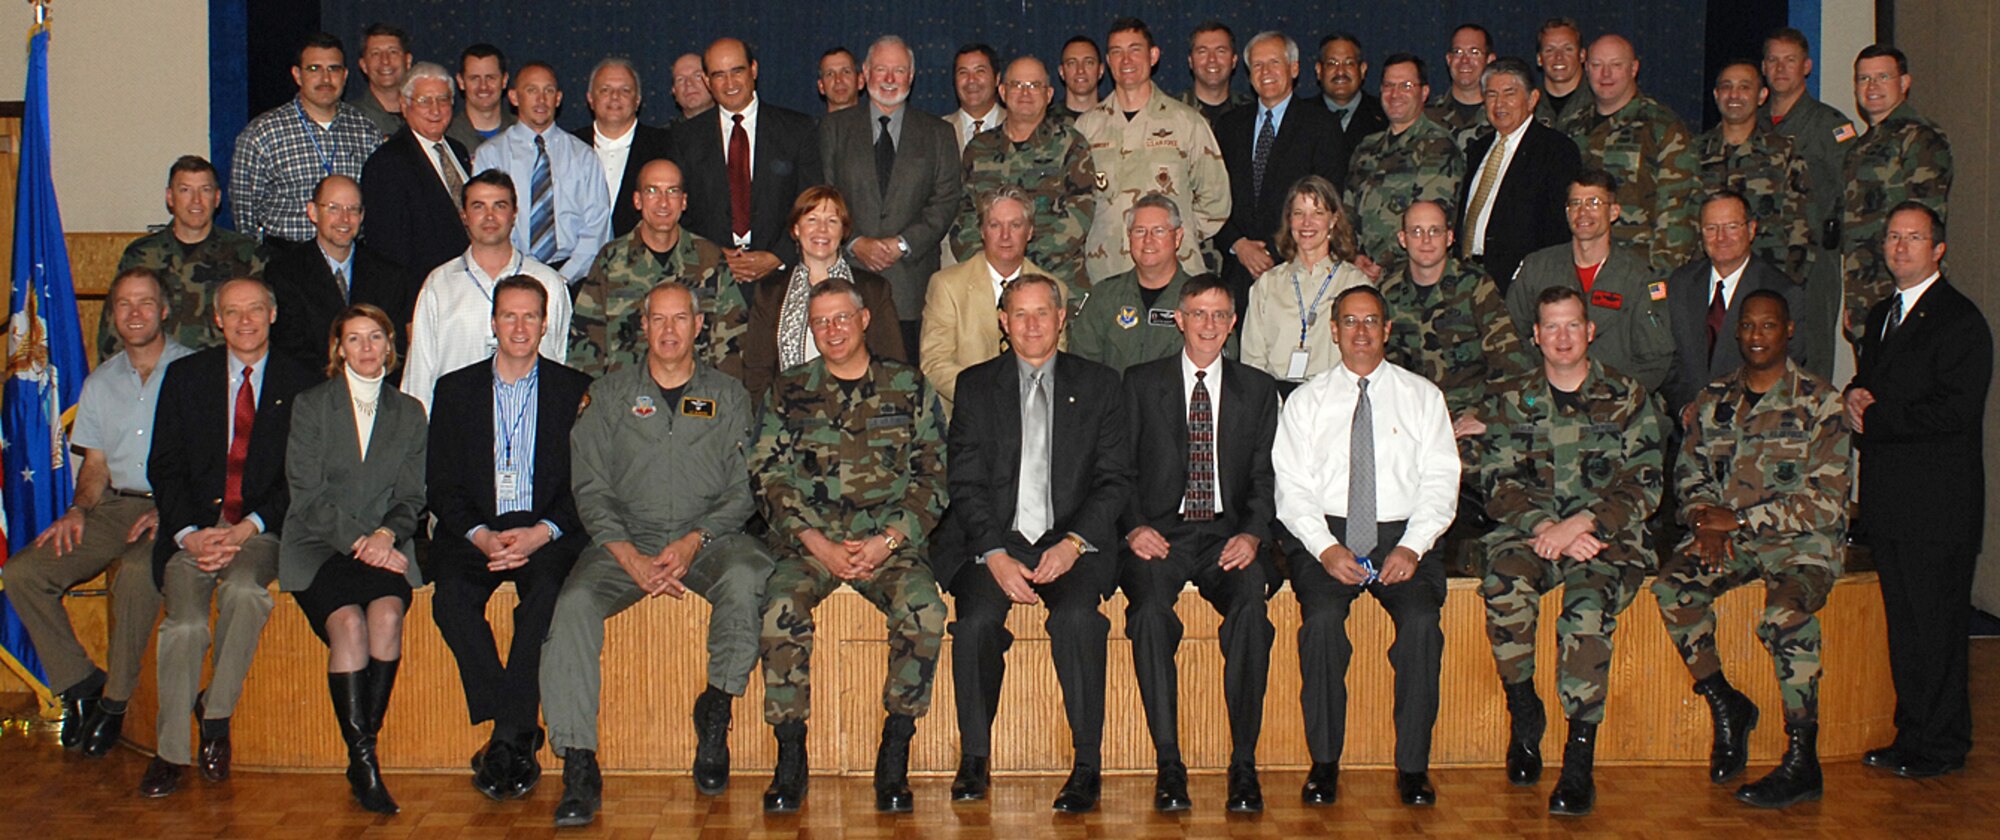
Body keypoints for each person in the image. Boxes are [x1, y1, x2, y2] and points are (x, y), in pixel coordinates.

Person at [544, 281, 773, 826]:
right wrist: (626, 554)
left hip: (709, 541)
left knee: (749, 578)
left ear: (700, 326)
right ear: (642, 326)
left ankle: (716, 710)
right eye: (658, 320)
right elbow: (590, 486)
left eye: (680, 320)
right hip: (625, 541)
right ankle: (577, 759)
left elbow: (746, 486)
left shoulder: (730, 395)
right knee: (572, 607)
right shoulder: (609, 396)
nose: (669, 331)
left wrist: (697, 539)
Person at [752, 279, 948, 814]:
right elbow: (769, 476)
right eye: (820, 322)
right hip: (809, 546)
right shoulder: (788, 389)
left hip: (888, 544)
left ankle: (895, 748)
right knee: (780, 609)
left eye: (841, 318)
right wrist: (814, 540)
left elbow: (933, 477)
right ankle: (790, 753)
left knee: (925, 610)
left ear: (864, 320)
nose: (832, 330)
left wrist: (887, 542)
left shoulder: (908, 387)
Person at [1652, 290, 1849, 808]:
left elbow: (1825, 503)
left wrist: (1738, 518)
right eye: (1748, 326)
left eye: (1769, 326)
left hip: (1799, 545)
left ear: (1788, 332)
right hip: (1729, 541)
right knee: (1674, 586)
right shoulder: (1715, 397)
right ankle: (1726, 703)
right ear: (1736, 333)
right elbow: (1689, 473)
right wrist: (1703, 519)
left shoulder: (1820, 402)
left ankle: (1803, 758)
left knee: (1783, 616)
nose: (1757, 335)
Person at [942, 274, 1132, 812]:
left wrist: (1073, 542)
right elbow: (966, 481)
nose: (1030, 325)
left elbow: (1115, 478)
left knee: (1077, 620)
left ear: (1061, 317)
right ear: (1002, 321)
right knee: (975, 622)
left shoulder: (1100, 384)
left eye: (1041, 313)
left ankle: (1086, 764)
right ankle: (975, 758)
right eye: (1018, 314)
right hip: (995, 540)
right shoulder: (976, 385)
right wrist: (995, 553)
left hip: (1073, 540)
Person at [1478, 285, 1665, 816]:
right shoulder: (1513, 399)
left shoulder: (1626, 397)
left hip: (1607, 539)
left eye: (1571, 326)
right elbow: (1496, 482)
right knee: (1503, 585)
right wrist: (1545, 525)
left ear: (1590, 331)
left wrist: (1581, 524)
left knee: (1585, 611)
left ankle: (1578, 759)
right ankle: (1524, 713)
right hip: (1532, 535)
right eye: (1550, 327)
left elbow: (1645, 483)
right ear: (1535, 336)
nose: (1562, 338)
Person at [1276, 285, 1459, 808]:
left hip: (1404, 534)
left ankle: (1413, 768)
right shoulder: (1306, 401)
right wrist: (1326, 549)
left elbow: (1442, 482)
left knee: (1423, 625)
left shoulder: (1423, 397)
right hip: (1326, 536)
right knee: (1322, 627)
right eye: (1350, 322)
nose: (1360, 332)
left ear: (1387, 330)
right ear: (1334, 331)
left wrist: (1413, 547)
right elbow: (1292, 489)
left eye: (1371, 322)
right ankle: (1325, 763)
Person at [139, 277, 317, 797]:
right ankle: (170, 752)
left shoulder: (302, 381)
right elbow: (164, 467)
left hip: (259, 530)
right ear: (217, 319)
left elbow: (300, 478)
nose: (245, 321)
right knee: (186, 626)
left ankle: (215, 718)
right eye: (233, 312)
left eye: (255, 310)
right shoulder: (185, 377)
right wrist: (191, 535)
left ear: (273, 313)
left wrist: (245, 528)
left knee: (244, 592)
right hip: (193, 534)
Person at [10, 269, 191, 758]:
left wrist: (173, 513)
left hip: (175, 508)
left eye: (145, 303)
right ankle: (82, 681)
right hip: (114, 504)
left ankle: (115, 704)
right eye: (125, 305)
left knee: (135, 571)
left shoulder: (196, 371)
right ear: (113, 315)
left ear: (165, 310)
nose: (135, 314)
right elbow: (93, 465)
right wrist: (77, 510)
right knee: (22, 572)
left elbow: (210, 464)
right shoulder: (100, 381)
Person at [1119, 273, 1280, 813]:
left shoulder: (1257, 389)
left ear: (1233, 323)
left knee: (1252, 611)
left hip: (1226, 536)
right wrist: (1135, 526)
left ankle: (1243, 764)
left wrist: (1253, 534)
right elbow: (1118, 471)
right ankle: (1169, 764)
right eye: (1198, 314)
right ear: (1179, 320)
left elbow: (1264, 477)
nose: (1208, 325)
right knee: (1147, 615)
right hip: (1160, 535)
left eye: (1219, 315)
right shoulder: (1140, 383)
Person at [428, 277, 592, 802]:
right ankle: (516, 725)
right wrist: (479, 536)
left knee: (544, 598)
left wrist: (542, 533)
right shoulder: (454, 390)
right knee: (449, 600)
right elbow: (441, 484)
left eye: (530, 317)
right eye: (509, 316)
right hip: (477, 528)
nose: (519, 327)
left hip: (546, 529)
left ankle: (505, 739)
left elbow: (587, 485)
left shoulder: (575, 390)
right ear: (492, 323)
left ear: (546, 325)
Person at [1847, 203, 1991, 781]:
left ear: (1939, 250)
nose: (1900, 247)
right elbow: (1873, 383)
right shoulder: (1883, 313)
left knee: (1938, 631)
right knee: (1905, 630)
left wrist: (1875, 416)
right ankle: (1911, 734)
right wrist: (1855, 393)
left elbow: (1954, 411)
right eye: (1893, 237)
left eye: (1914, 238)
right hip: (1890, 503)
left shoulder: (1960, 320)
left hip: (1939, 507)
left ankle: (1944, 744)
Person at [279, 304, 427, 815]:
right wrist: (363, 541)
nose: (367, 349)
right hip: (321, 543)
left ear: (391, 346)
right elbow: (306, 494)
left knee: (386, 615)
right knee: (348, 626)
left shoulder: (410, 412)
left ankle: (362, 754)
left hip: (387, 544)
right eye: (355, 339)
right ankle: (364, 760)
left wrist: (386, 534)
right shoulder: (312, 405)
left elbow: (412, 495)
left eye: (376, 338)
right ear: (338, 348)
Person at [819, 35, 962, 357]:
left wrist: (901, 244)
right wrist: (854, 241)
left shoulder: (938, 133)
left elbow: (946, 198)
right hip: (847, 277)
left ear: (911, 76)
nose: (888, 79)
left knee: (904, 384)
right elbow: (823, 196)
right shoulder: (834, 129)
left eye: (898, 71)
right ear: (865, 73)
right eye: (881, 70)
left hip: (910, 287)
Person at [401, 170, 572, 413]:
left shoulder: (548, 282)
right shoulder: (439, 284)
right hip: (457, 424)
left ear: (514, 214)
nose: (489, 216)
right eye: (479, 206)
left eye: (499, 206)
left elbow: (561, 363)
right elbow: (419, 371)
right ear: (464, 216)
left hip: (530, 421)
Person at [1076, 18, 1230, 285]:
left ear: (1154, 55)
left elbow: (1216, 200)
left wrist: (1176, 235)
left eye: (1135, 49)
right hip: (1107, 272)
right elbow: (1076, 203)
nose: (1126, 60)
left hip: (1175, 273)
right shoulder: (1087, 127)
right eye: (1116, 52)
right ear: (1108, 62)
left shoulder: (1186, 122)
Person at [568, 159, 745, 382]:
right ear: (637, 200)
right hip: (623, 400)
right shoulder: (611, 260)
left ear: (684, 202)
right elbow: (585, 344)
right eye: (652, 191)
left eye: (672, 192)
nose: (663, 203)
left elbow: (733, 341)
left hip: (695, 400)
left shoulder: (708, 258)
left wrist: (725, 403)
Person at [669, 37, 824, 284]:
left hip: (782, 276)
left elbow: (812, 201)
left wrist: (778, 255)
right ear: (707, 82)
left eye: (737, 71)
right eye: (719, 75)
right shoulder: (685, 138)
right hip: (710, 278)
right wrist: (713, 255)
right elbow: (678, 210)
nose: (729, 83)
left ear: (754, 70)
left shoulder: (797, 129)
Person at [1505, 171, 1674, 393]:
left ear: (1614, 212)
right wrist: (1534, 387)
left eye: (1594, 203)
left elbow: (1655, 360)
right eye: (1575, 203)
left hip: (1616, 401)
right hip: (1544, 398)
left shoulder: (1639, 277)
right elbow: (1507, 337)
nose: (1582, 212)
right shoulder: (1537, 268)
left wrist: (1616, 397)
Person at [1215, 31, 1349, 307]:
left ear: (1294, 68)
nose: (1266, 72)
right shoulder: (1229, 126)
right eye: (1258, 65)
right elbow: (1211, 196)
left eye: (1274, 63)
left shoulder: (1321, 125)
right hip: (1237, 269)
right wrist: (1239, 245)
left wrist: (1274, 250)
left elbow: (1328, 198)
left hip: (1297, 264)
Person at [1553, 34, 1700, 275]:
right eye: (1598, 65)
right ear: (1587, 68)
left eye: (1616, 65)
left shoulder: (1662, 126)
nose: (1606, 74)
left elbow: (1679, 210)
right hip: (1577, 266)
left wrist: (1661, 274)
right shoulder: (1571, 127)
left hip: (1638, 269)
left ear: (1633, 68)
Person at [949, 54, 1096, 293]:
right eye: (1017, 85)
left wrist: (1022, 266)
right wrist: (994, 268)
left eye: (1034, 86)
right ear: (1003, 92)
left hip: (1056, 282)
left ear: (1048, 95)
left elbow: (1079, 217)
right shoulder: (978, 149)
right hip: (989, 285)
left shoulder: (1071, 144)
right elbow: (963, 218)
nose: (1025, 93)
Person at [744, 186, 906, 400]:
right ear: (796, 229)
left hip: (862, 415)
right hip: (790, 417)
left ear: (843, 231)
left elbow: (893, 365)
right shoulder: (770, 293)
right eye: (812, 220)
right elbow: (756, 373)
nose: (822, 230)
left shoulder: (873, 290)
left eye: (832, 221)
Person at [100, 155, 269, 358]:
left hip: (221, 374)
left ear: (217, 198)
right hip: (157, 374)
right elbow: (116, 325)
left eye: (205, 190)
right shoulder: (142, 255)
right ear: (170, 197)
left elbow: (263, 322)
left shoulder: (246, 253)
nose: (196, 200)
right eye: (185, 190)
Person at [1838, 45, 1953, 342]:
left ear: (1904, 83)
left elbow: (1923, 227)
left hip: (1904, 291)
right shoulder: (1861, 146)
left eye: (1882, 77)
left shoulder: (1919, 138)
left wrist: (1909, 296)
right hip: (1866, 294)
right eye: (1864, 79)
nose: (1872, 87)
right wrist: (1856, 300)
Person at [1760, 28, 1856, 377]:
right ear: (1764, 67)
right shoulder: (1750, 125)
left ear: (1807, 66)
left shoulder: (1830, 127)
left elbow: (1854, 196)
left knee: (1812, 361)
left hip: (1813, 263)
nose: (1781, 68)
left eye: (1790, 60)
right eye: (1773, 60)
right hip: (1759, 260)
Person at [1379, 201, 1526, 427]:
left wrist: (1485, 416)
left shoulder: (1476, 286)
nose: (1426, 240)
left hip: (1467, 412)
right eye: (1416, 231)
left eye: (1434, 231)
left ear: (1449, 238)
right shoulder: (1387, 291)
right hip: (1409, 415)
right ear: (1402, 239)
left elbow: (1509, 360)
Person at [1660, 192, 1807, 416]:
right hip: (1687, 427)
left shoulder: (1782, 293)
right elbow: (1666, 356)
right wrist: (1684, 407)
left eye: (1731, 227)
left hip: (1751, 426)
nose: (1721, 237)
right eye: (1711, 228)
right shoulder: (1681, 283)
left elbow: (1787, 368)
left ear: (1751, 230)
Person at [232, 32, 383, 244]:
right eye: (314, 69)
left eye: (334, 69)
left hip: (352, 258)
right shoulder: (262, 133)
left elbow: (377, 203)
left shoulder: (365, 130)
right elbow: (245, 215)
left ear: (345, 75)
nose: (325, 78)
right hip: (286, 259)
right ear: (297, 75)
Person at [472, 61, 613, 285]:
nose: (541, 99)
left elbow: (597, 226)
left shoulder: (583, 156)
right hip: (509, 275)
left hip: (572, 277)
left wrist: (562, 280)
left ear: (558, 99)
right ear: (514, 97)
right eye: (531, 90)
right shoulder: (491, 155)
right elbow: (485, 223)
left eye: (548, 91)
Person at [921, 185, 1059, 411]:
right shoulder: (946, 286)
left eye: (1015, 225)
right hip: (969, 414)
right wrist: (988, 399)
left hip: (1035, 414)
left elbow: (1055, 365)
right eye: (995, 225)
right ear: (982, 231)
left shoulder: (1054, 288)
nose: (1005, 235)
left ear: (1030, 232)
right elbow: (934, 363)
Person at [267, 175, 414, 378]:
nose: (345, 219)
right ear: (313, 212)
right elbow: (290, 348)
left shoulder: (389, 275)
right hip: (313, 392)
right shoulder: (285, 273)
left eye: (353, 209)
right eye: (333, 208)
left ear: (362, 216)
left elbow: (395, 348)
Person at [1458, 57, 1582, 290]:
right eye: (1492, 95)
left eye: (1509, 93)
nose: (1499, 104)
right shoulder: (1478, 149)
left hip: (1523, 284)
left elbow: (1559, 230)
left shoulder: (1556, 150)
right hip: (1468, 281)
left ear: (1533, 99)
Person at [1240, 175, 1371, 391]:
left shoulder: (1354, 283)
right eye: (1298, 213)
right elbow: (1252, 361)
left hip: (1334, 398)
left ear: (1333, 220)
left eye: (1317, 213)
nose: (1306, 223)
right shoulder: (1267, 284)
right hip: (1277, 402)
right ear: (1289, 220)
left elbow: (1365, 355)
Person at [1695, 61, 1813, 287]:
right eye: (1727, 87)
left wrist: (1790, 286)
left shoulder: (1784, 153)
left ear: (1762, 96)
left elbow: (1801, 228)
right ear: (1716, 95)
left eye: (1744, 87)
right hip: (1707, 281)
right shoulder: (1694, 153)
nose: (1734, 95)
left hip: (1767, 280)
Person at [1344, 54, 1464, 270]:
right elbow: (1347, 211)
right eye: (1389, 85)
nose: (1395, 94)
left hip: (1411, 275)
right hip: (1359, 272)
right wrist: (1353, 256)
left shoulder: (1438, 146)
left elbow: (1430, 221)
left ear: (1424, 93)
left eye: (1406, 86)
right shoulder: (1366, 147)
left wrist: (1380, 264)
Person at [1069, 195, 1211, 374]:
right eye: (1139, 231)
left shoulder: (1202, 300)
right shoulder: (1104, 297)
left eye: (1159, 231)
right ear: (1129, 237)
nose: (1148, 240)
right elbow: (1081, 367)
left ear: (1177, 237)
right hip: (1117, 400)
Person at [361, 61, 474, 279]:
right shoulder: (386, 162)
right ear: (404, 105)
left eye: (443, 100)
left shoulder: (458, 150)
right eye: (424, 101)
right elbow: (387, 248)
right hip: (421, 286)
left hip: (466, 281)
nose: (435, 109)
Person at [571, 57, 674, 238]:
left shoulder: (666, 147)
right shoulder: (569, 146)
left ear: (637, 100)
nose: (615, 97)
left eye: (625, 90)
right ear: (590, 99)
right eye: (605, 90)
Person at [1426, 24, 1494, 147]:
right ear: (1449, 59)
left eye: (1474, 52)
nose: (1464, 60)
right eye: (1458, 52)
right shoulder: (1426, 117)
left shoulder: (1501, 115)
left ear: (1490, 60)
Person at [1317, 33, 1389, 147]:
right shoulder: (1299, 118)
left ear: (1362, 69)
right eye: (1332, 63)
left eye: (1349, 63)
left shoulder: (1385, 115)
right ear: (1319, 70)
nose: (1340, 72)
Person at [1175, 22, 1252, 122]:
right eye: (1202, 52)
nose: (1212, 59)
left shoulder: (1251, 114)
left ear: (1234, 60)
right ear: (1190, 61)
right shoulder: (1171, 112)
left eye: (1221, 51)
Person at [349, 24, 412, 138]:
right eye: (375, 53)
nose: (385, 61)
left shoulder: (427, 115)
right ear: (363, 65)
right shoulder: (350, 118)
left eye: (393, 52)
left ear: (408, 61)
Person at [446, 43, 513, 151]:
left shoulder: (524, 133)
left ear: (504, 80)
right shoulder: (446, 137)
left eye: (490, 78)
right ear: (461, 82)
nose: (483, 86)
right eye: (474, 78)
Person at [948, 44, 1007, 149]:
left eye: (980, 71)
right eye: (963, 72)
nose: (971, 80)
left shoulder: (1018, 125)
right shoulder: (935, 131)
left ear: (997, 79)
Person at [1533, 18, 1588, 127]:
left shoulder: (1600, 102)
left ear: (1582, 55)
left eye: (1568, 49)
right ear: (1539, 58)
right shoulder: (1528, 106)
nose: (1559, 57)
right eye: (1550, 50)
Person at [1057, 36, 1104, 122]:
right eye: (1072, 63)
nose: (1080, 70)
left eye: (1089, 62)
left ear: (1101, 70)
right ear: (1061, 72)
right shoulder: (1045, 124)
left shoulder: (1117, 119)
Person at [671, 53, 717, 120]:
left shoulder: (734, 127)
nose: (688, 83)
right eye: (680, 79)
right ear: (674, 91)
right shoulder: (665, 130)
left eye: (697, 76)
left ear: (710, 82)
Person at [817, 48, 863, 113]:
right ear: (821, 86)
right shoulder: (808, 123)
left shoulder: (877, 122)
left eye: (846, 72)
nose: (838, 80)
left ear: (860, 81)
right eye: (830, 74)